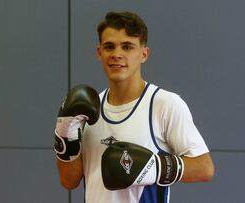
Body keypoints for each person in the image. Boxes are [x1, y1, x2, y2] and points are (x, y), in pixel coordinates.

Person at [55, 11, 215, 203]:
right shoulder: (88, 110)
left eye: (127, 47)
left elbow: (205, 168)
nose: (116, 54)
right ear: (99, 53)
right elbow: (69, 181)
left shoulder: (164, 105)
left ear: (144, 54)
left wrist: (154, 167)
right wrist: (64, 136)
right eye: (109, 47)